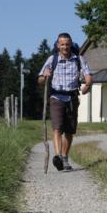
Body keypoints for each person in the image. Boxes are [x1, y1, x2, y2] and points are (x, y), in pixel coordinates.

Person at [38, 32, 93, 171]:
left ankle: (64, 157)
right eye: (62, 44)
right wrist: (44, 76)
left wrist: (88, 84)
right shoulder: (52, 59)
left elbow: (88, 76)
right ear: (58, 45)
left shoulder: (78, 59)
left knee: (69, 131)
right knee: (57, 128)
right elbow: (40, 80)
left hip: (72, 98)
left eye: (67, 44)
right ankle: (57, 156)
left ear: (71, 45)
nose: (65, 47)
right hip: (56, 97)